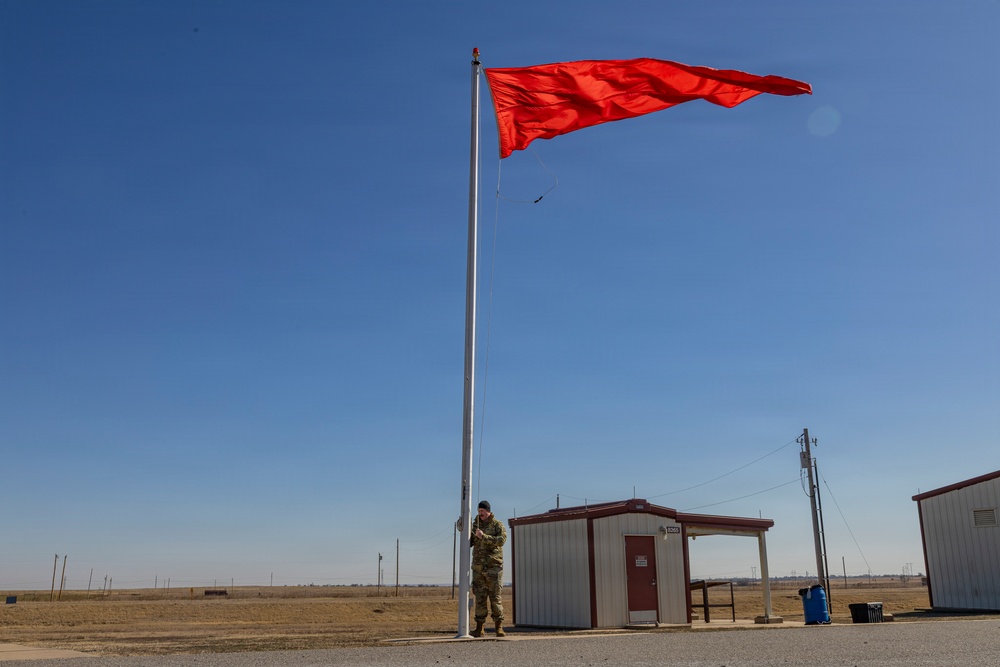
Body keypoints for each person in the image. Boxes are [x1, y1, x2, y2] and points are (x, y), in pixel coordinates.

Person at [470, 499, 506, 637]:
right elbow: (469, 542)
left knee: (495, 598)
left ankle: (499, 627)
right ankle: (479, 628)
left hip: (493, 568)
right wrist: (464, 531)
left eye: (483, 511)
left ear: (488, 512)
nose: (480, 513)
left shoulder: (497, 525)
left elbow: (501, 540)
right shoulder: (475, 525)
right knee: (480, 598)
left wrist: (484, 537)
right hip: (479, 569)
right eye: (479, 511)